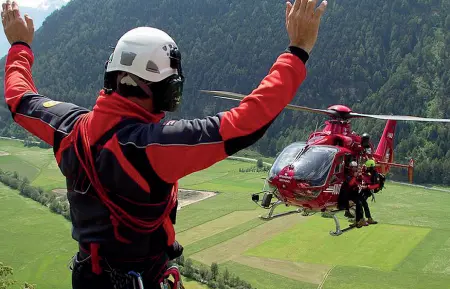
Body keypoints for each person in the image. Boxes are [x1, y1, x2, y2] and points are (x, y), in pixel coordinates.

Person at [1, 0, 327, 288]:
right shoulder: (151, 147)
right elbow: (246, 123)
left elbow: (20, 99)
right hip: (141, 279)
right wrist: (297, 50)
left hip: (88, 277)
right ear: (160, 90)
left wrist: (19, 45)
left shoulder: (68, 128)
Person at [359, 159, 379, 225]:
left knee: (361, 203)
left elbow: (376, 185)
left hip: (368, 190)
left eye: (368, 167)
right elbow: (364, 174)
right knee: (364, 203)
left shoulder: (375, 174)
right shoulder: (368, 170)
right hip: (364, 189)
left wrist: (367, 187)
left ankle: (361, 219)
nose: (366, 168)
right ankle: (369, 219)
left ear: (371, 166)